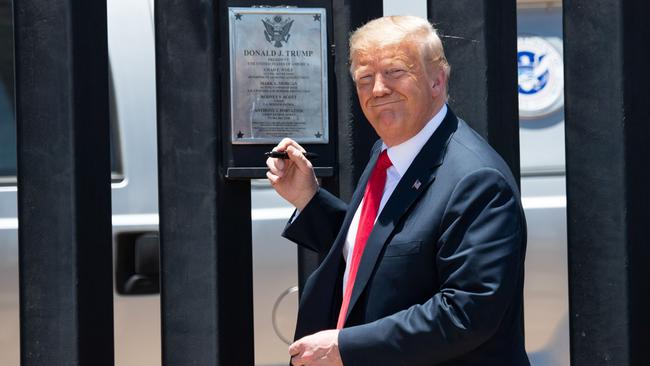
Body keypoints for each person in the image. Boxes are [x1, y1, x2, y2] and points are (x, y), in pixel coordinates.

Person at [266, 15, 529, 366]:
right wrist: (309, 200)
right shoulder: (389, 151)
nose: (378, 89)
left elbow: (466, 314)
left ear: (437, 80)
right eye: (364, 77)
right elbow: (380, 252)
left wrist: (346, 346)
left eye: (394, 72)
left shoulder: (477, 180)